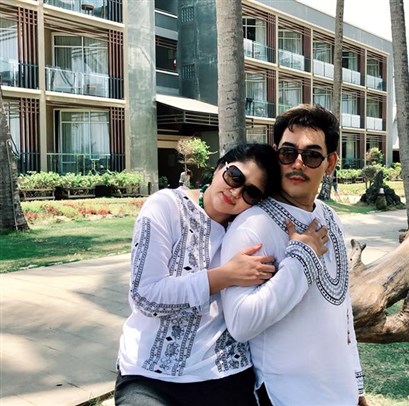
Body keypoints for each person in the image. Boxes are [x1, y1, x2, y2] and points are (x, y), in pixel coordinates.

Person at [115, 144, 322, 406]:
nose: (235, 192)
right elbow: (145, 296)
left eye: (250, 193)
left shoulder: (249, 229)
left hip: (224, 372)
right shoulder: (166, 206)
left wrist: (300, 249)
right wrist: (224, 276)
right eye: (234, 177)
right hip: (150, 376)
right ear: (219, 168)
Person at [221, 104, 367, 405]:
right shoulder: (253, 227)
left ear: (330, 162)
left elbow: (342, 312)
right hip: (285, 394)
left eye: (311, 155)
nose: (297, 163)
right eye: (288, 153)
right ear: (277, 154)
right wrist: (301, 258)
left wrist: (357, 385)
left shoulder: (329, 216)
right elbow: (240, 323)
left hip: (339, 391)